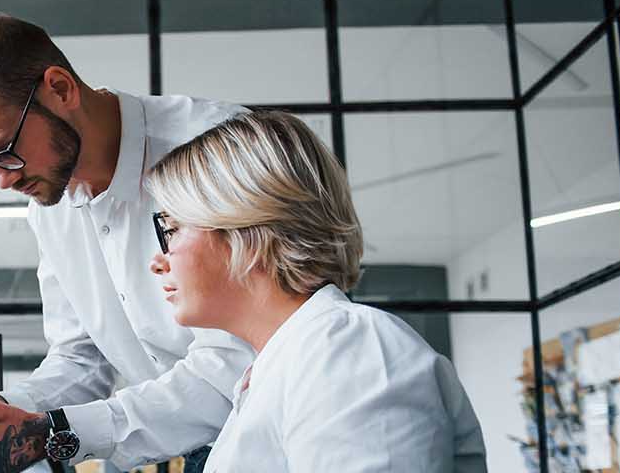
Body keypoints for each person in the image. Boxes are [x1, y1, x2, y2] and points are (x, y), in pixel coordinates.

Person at [0, 14, 255, 472]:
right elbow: (80, 357)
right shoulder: (51, 205)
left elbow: (235, 366)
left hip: (279, 439)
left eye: (5, 150)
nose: (3, 180)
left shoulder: (216, 149)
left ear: (60, 89)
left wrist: (49, 434)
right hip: (189, 450)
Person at [143, 110, 486, 471]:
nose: (158, 260)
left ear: (246, 229)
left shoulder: (345, 348)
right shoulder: (288, 363)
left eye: (173, 228)